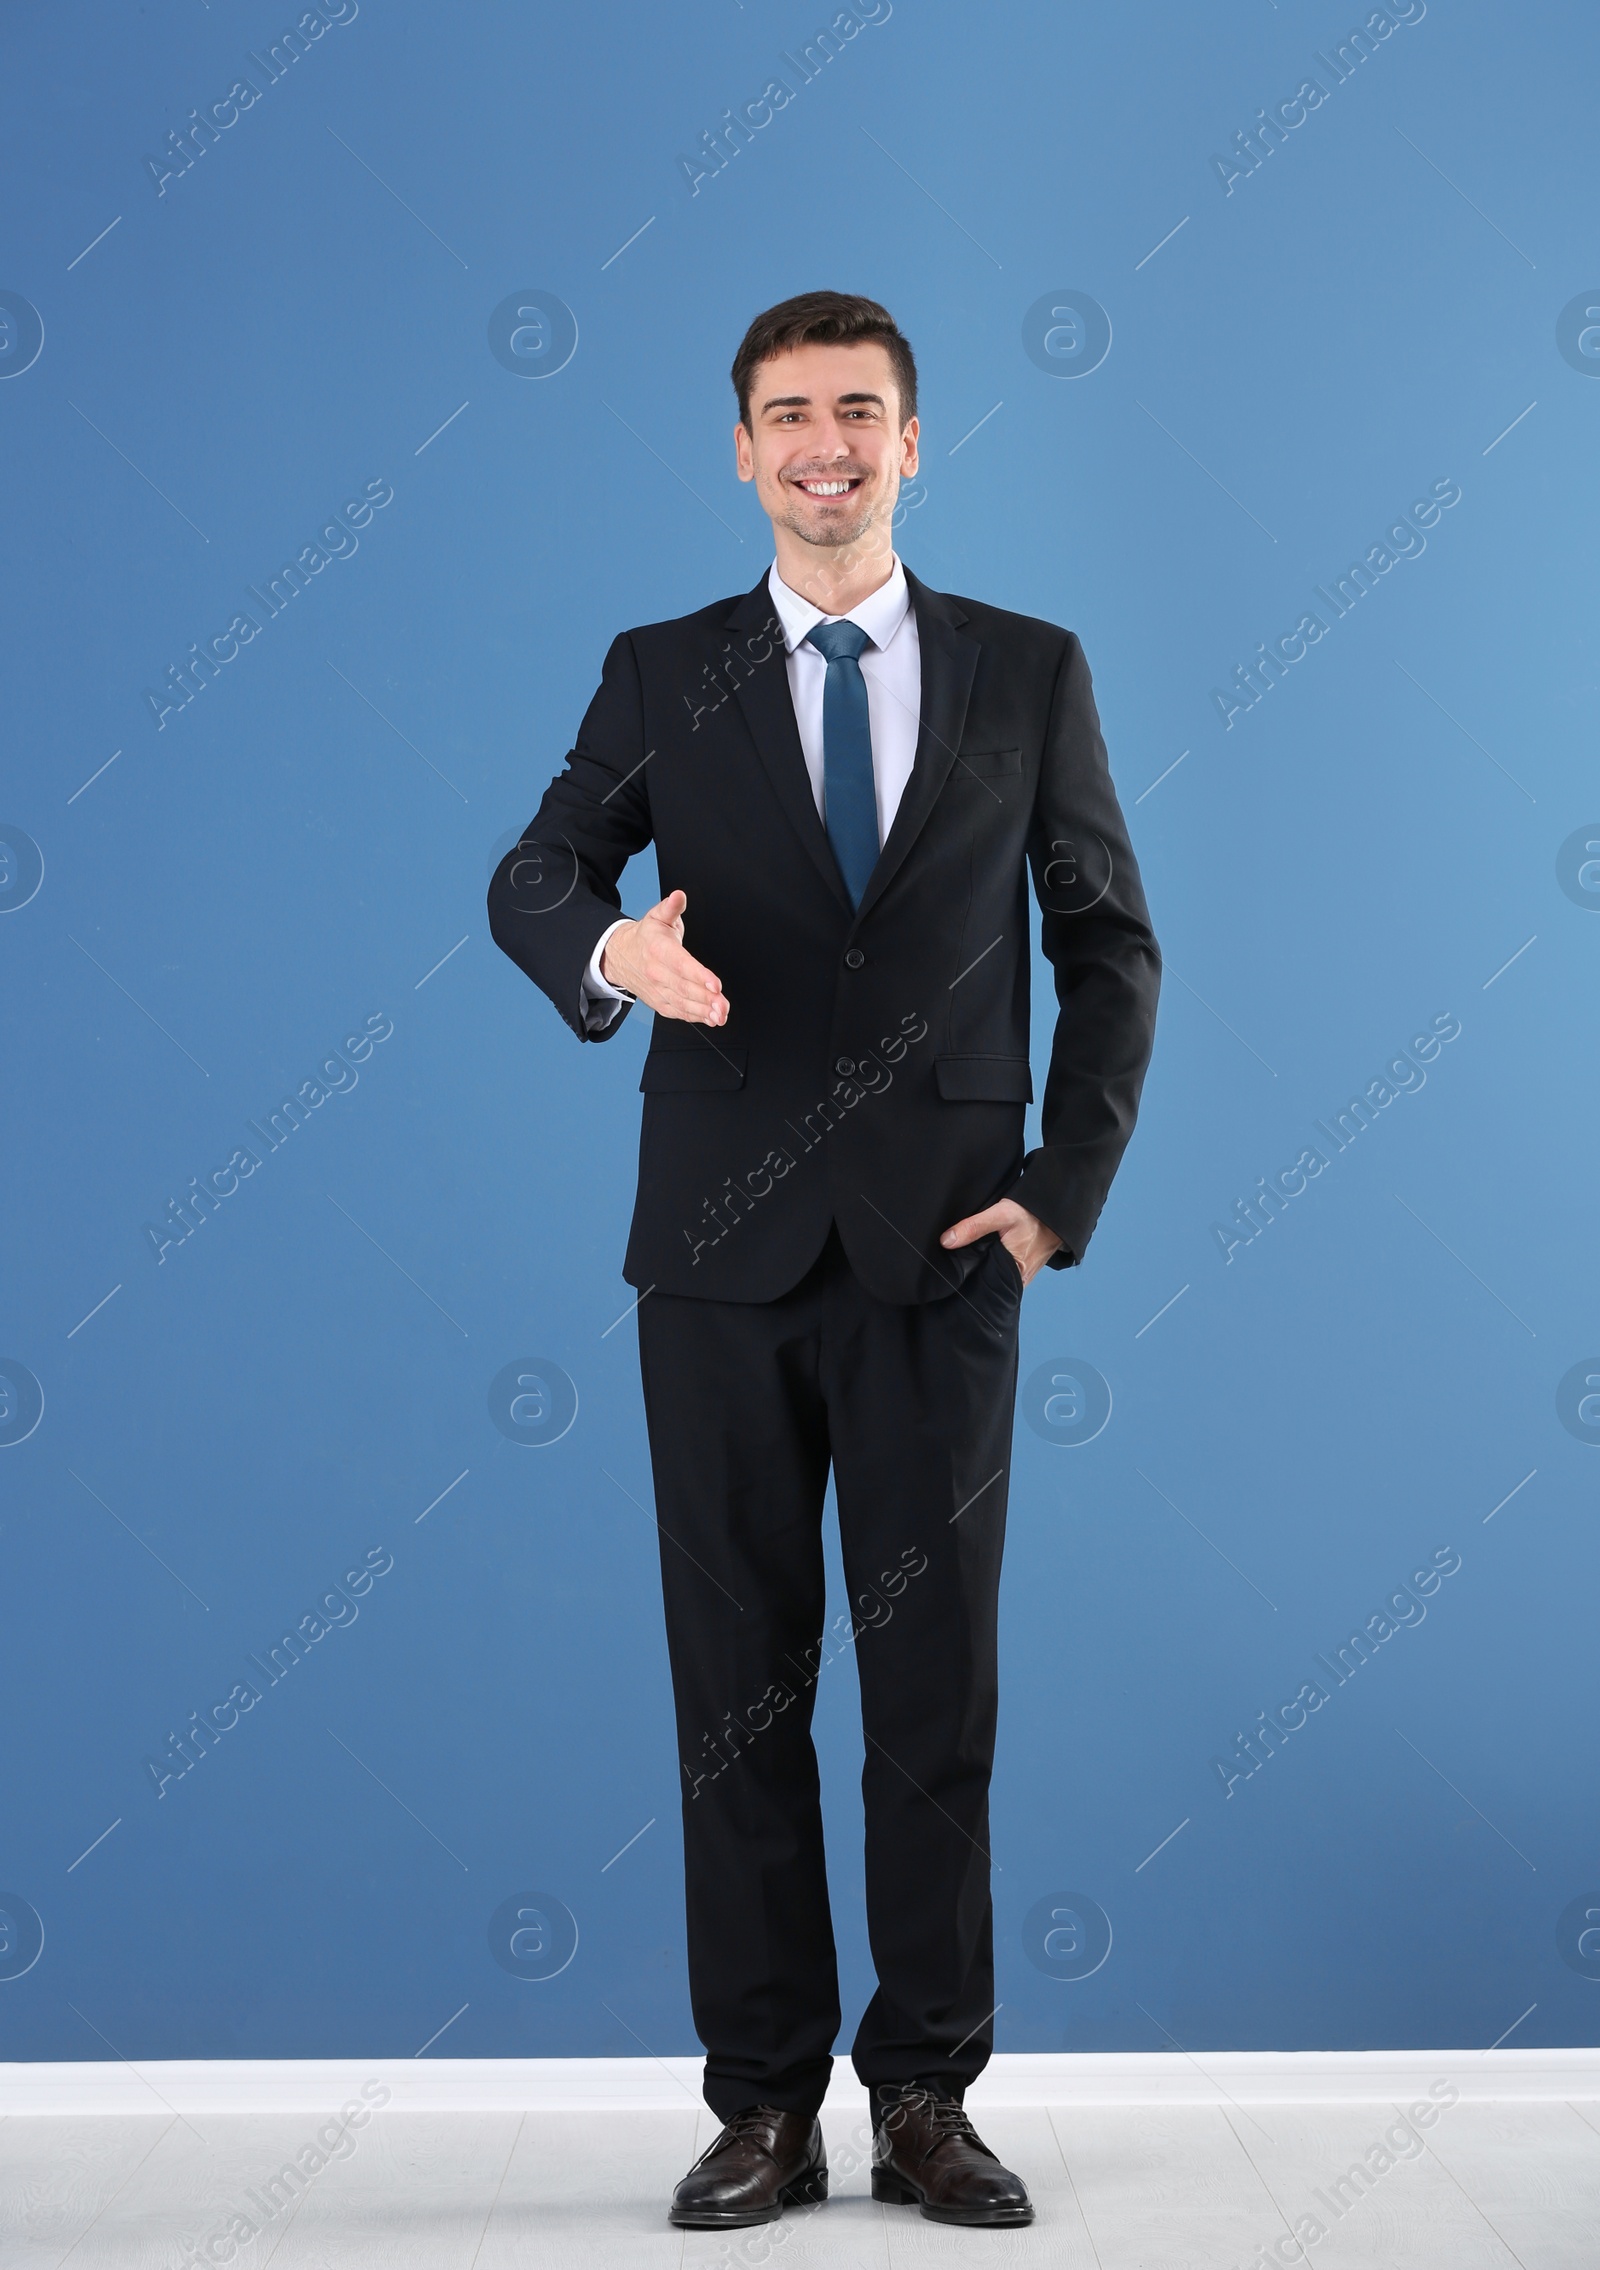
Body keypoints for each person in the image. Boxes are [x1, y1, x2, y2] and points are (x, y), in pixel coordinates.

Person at [487, 290, 1160, 2231]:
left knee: (932, 1696)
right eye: (787, 414)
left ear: (913, 438)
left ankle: (926, 2094)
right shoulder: (661, 668)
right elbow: (535, 871)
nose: (823, 444)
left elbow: (1107, 939)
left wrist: (1063, 1180)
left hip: (945, 1254)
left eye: (858, 411)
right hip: (711, 1257)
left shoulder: (1027, 670)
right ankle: (762, 2104)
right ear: (740, 447)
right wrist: (610, 957)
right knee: (736, 1693)